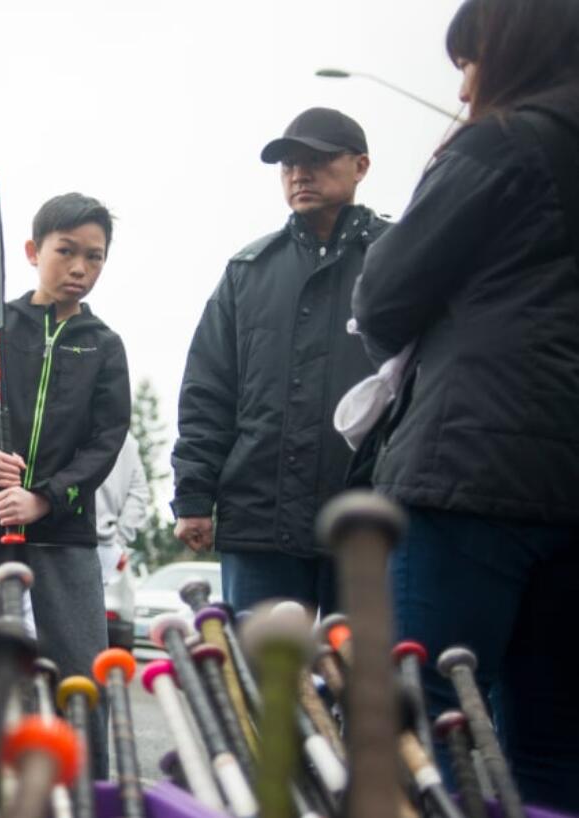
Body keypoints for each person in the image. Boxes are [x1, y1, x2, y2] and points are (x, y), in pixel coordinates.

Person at [352, 0, 579, 808]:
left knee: (425, 718)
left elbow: (381, 297)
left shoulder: (500, 144)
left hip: (468, 473)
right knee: (553, 737)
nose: (463, 82)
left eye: (469, 58)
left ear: (512, 46)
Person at [0, 192, 130, 778]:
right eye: (66, 252)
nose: (81, 269)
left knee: (80, 674)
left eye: (95, 257)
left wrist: (47, 496)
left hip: (62, 530)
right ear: (34, 251)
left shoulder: (104, 346)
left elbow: (105, 442)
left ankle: (89, 792)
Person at [170, 107, 389, 615]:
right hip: (259, 521)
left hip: (367, 519)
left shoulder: (395, 258)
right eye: (288, 163)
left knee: (364, 687)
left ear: (361, 166)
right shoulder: (248, 271)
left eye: (317, 158)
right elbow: (208, 390)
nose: (299, 173)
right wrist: (194, 496)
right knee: (261, 686)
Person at [95, 431, 150, 584]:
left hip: (63, 540)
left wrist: (118, 540)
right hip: (107, 545)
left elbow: (139, 493)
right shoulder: (127, 439)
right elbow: (139, 493)